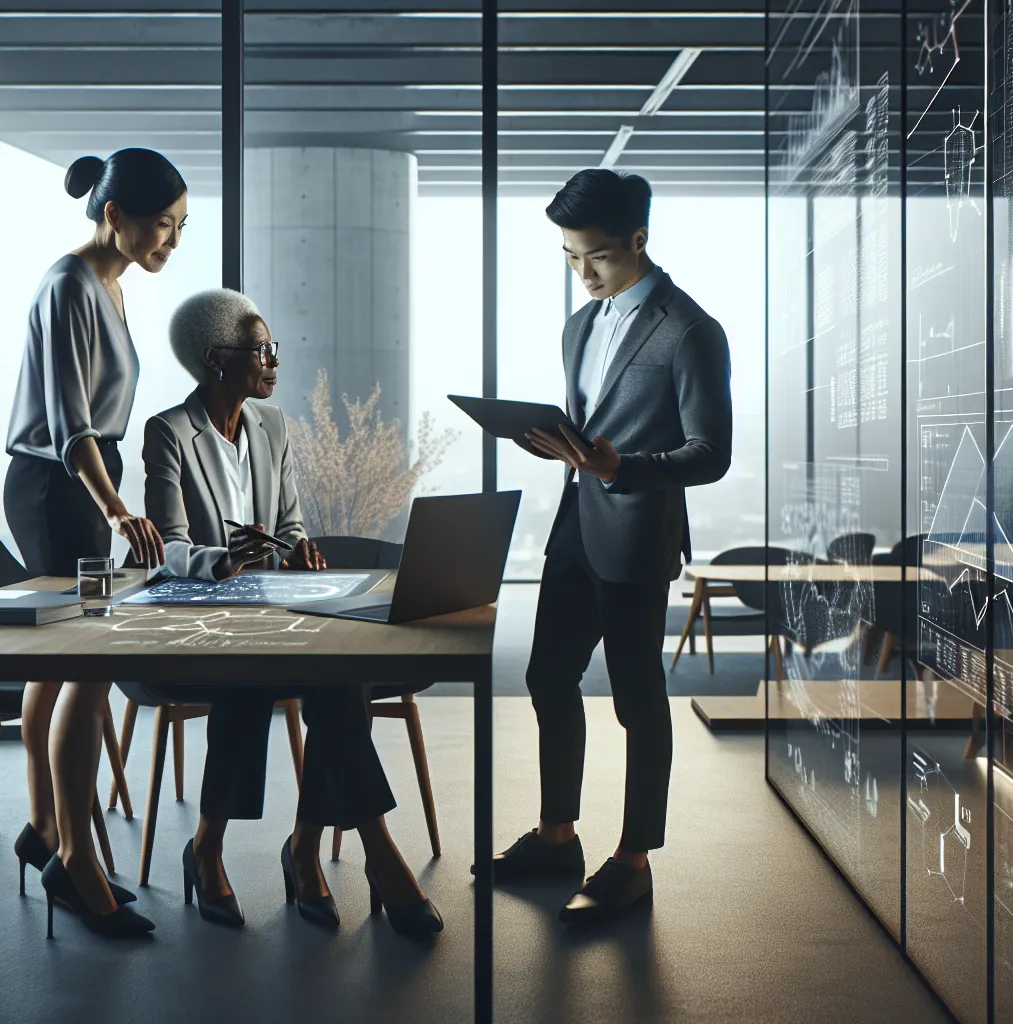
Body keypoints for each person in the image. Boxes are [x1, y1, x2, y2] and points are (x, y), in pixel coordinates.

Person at [142, 287, 443, 939]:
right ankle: (358, 857)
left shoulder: (273, 427)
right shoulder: (168, 433)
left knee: (340, 679)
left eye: (274, 349)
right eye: (261, 350)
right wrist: (222, 563)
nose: (274, 361)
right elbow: (166, 547)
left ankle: (304, 848)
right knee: (261, 684)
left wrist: (297, 542)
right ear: (214, 358)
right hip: (210, 619)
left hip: (278, 608)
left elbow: (289, 518)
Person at [496, 169, 732, 924]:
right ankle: (557, 837)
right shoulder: (581, 325)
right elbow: (589, 424)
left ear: (639, 239)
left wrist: (621, 467)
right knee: (546, 676)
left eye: (595, 256)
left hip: (636, 537)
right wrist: (556, 445)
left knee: (637, 699)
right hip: (575, 525)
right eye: (569, 257)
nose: (582, 272)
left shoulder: (691, 331)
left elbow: (711, 454)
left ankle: (633, 863)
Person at [1, 147, 187, 937]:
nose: (170, 242)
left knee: (64, 663)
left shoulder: (109, 285)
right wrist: (116, 511)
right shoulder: (72, 285)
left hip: (82, 479)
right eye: (160, 225)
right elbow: (73, 422)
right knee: (89, 661)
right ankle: (73, 857)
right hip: (61, 485)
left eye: (179, 228)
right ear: (115, 215)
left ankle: (47, 829)